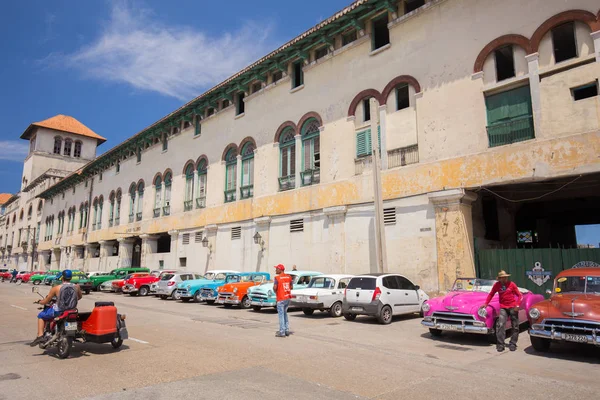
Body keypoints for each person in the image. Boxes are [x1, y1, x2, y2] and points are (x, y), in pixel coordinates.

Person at [30, 270, 82, 347]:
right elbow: (79, 297)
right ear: (71, 278)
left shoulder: (56, 288)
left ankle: (40, 336)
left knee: (40, 316)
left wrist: (40, 302)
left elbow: (46, 301)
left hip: (59, 311)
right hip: (72, 311)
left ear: (62, 278)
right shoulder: (76, 287)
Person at [480, 270, 523, 352]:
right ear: (499, 279)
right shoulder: (497, 285)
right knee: (501, 324)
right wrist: (486, 303)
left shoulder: (512, 284)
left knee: (515, 326)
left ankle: (513, 343)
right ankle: (500, 344)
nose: (504, 279)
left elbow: (520, 295)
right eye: (502, 278)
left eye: (505, 278)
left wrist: (517, 305)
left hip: (513, 307)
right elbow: (491, 294)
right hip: (503, 307)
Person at [273, 264, 293, 338]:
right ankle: (287, 330)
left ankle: (282, 332)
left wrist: (276, 290)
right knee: (285, 314)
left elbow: (275, 288)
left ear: (280, 270)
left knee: (281, 315)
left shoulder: (277, 278)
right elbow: (291, 287)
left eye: (276, 269)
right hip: (287, 297)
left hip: (281, 298)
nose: (275, 270)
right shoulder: (289, 277)